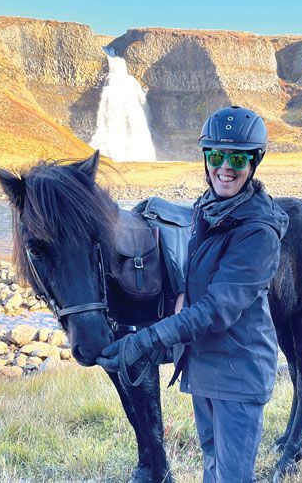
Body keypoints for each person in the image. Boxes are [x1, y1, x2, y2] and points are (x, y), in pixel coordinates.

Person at [97, 105, 289, 482]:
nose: (225, 167)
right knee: (213, 464)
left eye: (238, 158)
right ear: (205, 158)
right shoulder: (208, 208)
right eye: (216, 156)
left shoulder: (257, 231)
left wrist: (147, 340)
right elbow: (195, 284)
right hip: (206, 364)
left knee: (233, 476)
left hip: (239, 370)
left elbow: (218, 308)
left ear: (255, 162)